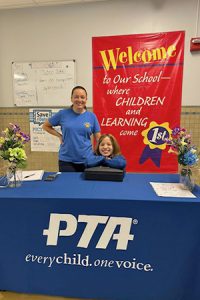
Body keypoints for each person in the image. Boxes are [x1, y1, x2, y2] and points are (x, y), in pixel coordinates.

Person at [42, 86, 101, 172]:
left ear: (86, 99)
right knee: (68, 185)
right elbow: (45, 126)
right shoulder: (63, 114)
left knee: (85, 186)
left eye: (82, 97)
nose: (79, 100)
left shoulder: (91, 116)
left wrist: (99, 155)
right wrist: (59, 136)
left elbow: (98, 138)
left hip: (87, 160)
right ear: (71, 99)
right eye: (76, 97)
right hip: (66, 161)